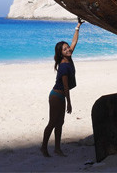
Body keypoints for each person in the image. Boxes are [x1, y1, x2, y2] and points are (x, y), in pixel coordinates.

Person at [41, 18, 84, 157]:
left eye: (68, 48)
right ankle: (43, 147)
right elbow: (66, 88)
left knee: (60, 123)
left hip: (60, 96)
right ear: (61, 53)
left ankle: (57, 148)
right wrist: (70, 103)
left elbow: (74, 42)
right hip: (56, 96)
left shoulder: (68, 58)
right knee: (53, 122)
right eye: (65, 49)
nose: (68, 49)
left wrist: (77, 26)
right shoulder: (64, 66)